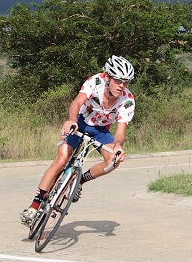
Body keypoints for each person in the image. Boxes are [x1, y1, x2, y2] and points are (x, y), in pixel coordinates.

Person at [20, 55, 136, 226]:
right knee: (61, 161)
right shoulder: (95, 82)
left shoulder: (127, 100)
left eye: (126, 82)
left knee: (114, 160)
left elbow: (120, 132)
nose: (122, 86)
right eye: (118, 80)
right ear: (108, 77)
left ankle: (79, 181)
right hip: (79, 122)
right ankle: (34, 206)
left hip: (100, 130)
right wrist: (71, 120)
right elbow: (76, 103)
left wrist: (118, 145)